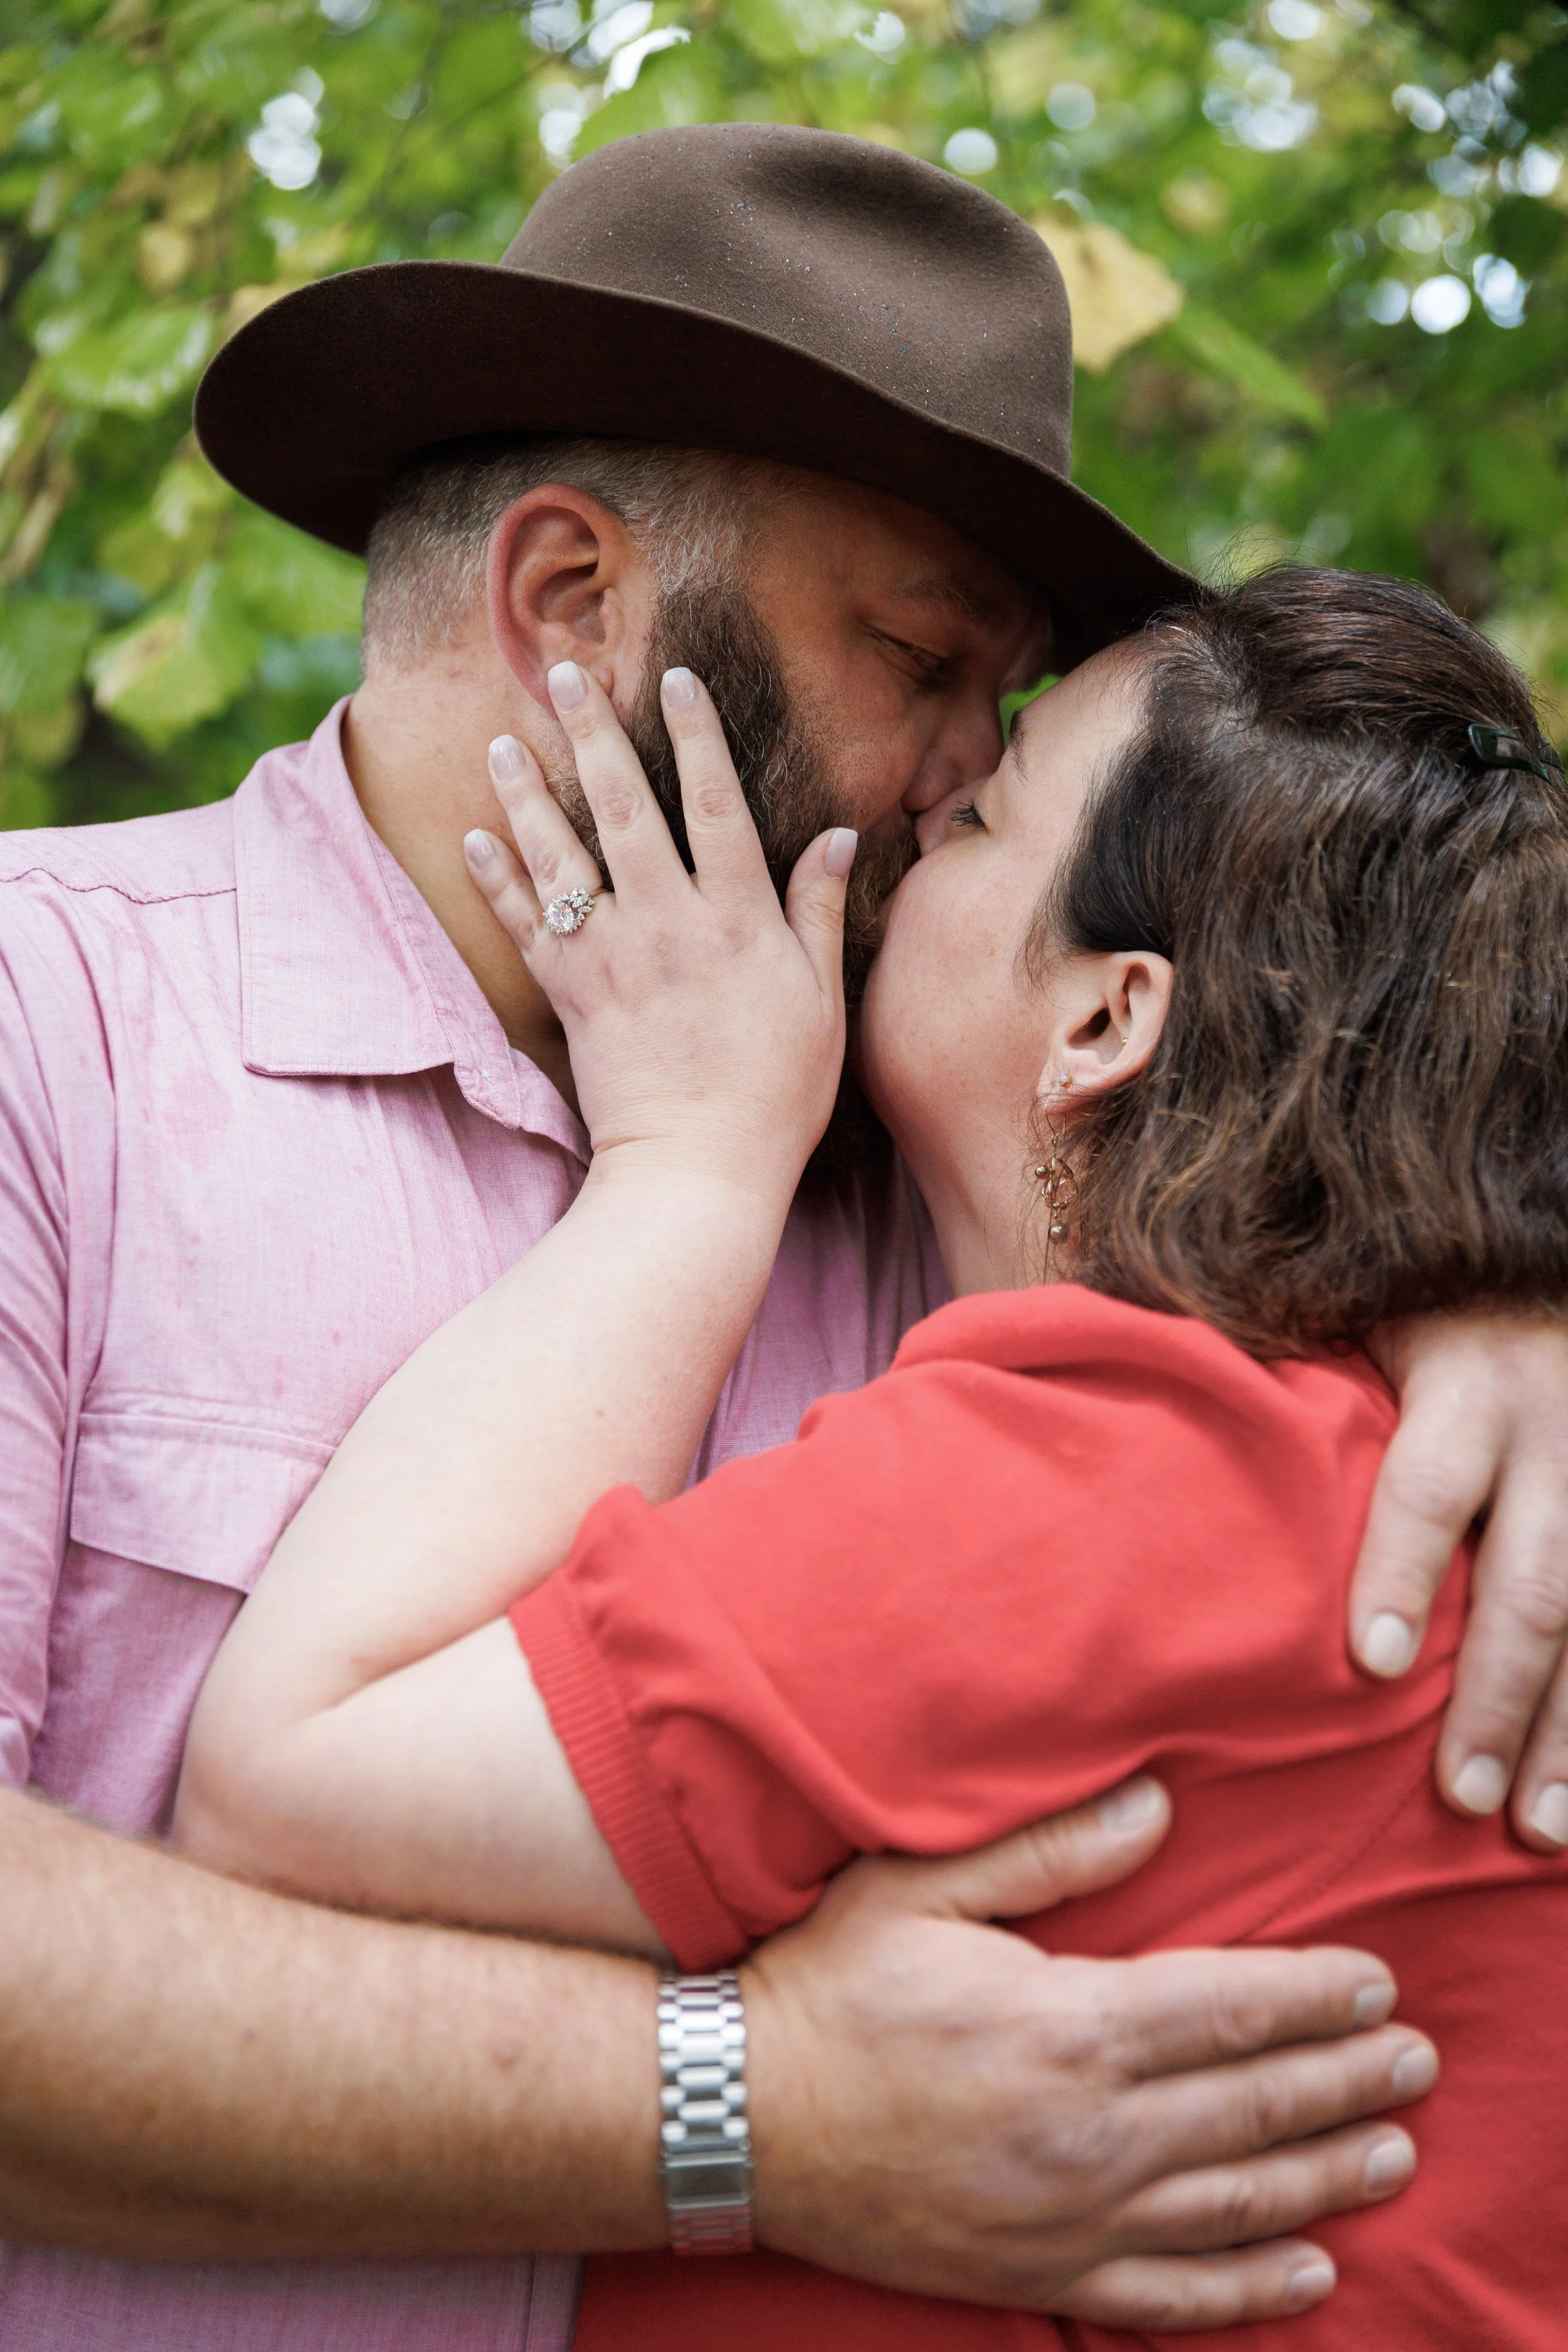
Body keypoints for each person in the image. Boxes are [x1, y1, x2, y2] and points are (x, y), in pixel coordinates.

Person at [0, 117, 1563, 2348]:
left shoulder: (953, 1167)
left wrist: (1497, 1293)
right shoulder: (44, 1024)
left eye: (1006, 716)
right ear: (569, 604)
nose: (957, 777)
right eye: (922, 664)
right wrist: (758, 2105)